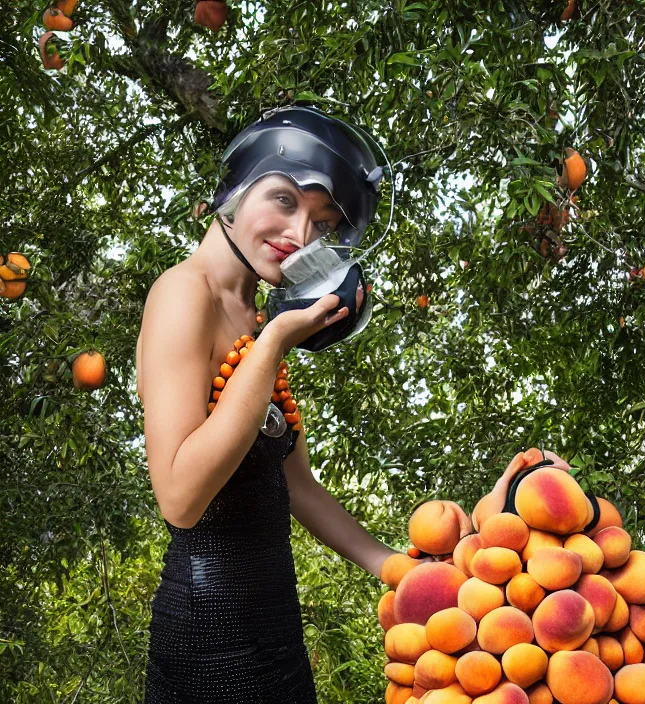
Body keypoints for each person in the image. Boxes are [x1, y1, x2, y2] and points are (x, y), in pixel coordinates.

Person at [136, 106, 405, 703]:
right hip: (207, 635)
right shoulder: (183, 294)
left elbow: (296, 485)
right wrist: (276, 341)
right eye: (285, 200)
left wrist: (398, 568)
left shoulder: (255, 316)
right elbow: (179, 499)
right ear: (235, 187)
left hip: (275, 625)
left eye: (323, 221)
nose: (301, 236)